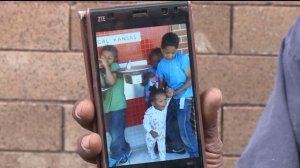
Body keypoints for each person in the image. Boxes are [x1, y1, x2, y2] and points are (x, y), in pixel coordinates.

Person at [156, 32, 197, 157]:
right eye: (167, 52)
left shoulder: (183, 59)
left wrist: (176, 92)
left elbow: (191, 79)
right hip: (172, 98)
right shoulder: (161, 65)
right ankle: (178, 146)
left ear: (176, 50)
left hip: (185, 97)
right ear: (162, 49)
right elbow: (160, 85)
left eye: (173, 53)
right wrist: (165, 91)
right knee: (166, 122)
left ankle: (195, 155)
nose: (170, 55)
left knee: (184, 128)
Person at [98, 45, 131, 167]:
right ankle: (126, 149)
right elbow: (102, 85)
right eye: (104, 57)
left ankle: (118, 156)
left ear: (115, 59)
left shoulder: (116, 67)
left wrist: (106, 66)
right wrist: (98, 70)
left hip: (118, 106)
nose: (106, 60)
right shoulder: (102, 69)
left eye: (109, 58)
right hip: (107, 107)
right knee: (114, 132)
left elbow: (111, 82)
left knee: (116, 133)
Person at [143, 88, 173, 161]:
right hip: (151, 133)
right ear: (153, 103)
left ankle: (163, 159)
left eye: (164, 100)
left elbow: (168, 99)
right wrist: (151, 131)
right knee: (150, 145)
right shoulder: (149, 112)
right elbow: (145, 123)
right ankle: (151, 152)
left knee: (162, 146)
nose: (164, 103)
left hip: (161, 132)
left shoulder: (164, 107)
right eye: (161, 101)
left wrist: (169, 95)